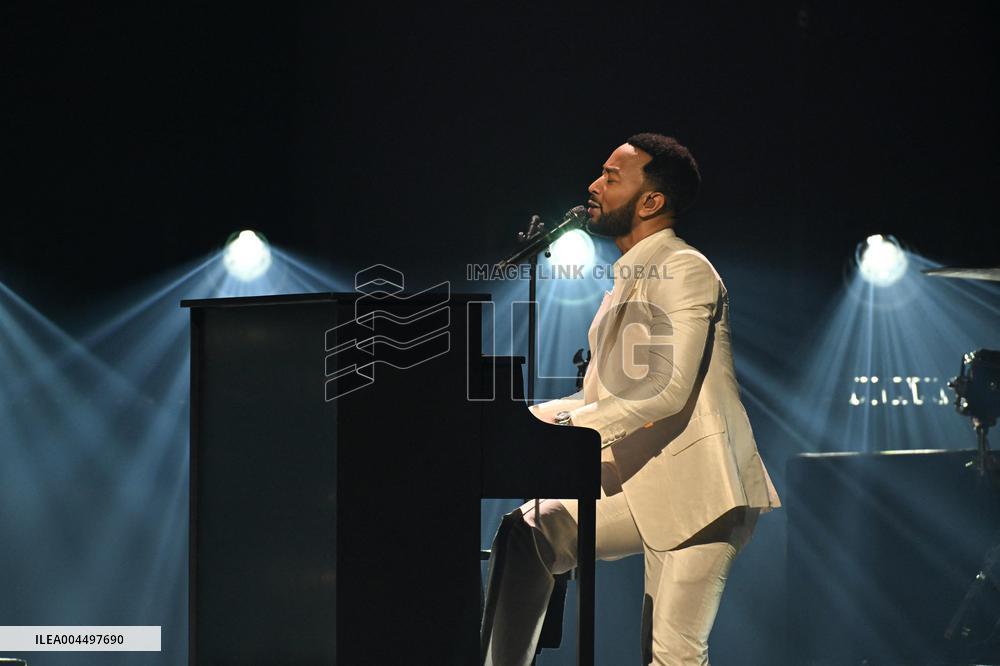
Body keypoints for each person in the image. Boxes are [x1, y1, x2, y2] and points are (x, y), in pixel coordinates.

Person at [480, 133, 781, 666]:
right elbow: (603, 395)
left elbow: (663, 391)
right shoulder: (628, 278)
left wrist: (557, 427)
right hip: (639, 477)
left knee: (671, 653)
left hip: (701, 488)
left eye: (611, 177)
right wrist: (520, 422)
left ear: (650, 201)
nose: (593, 186)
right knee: (526, 531)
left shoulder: (685, 269)